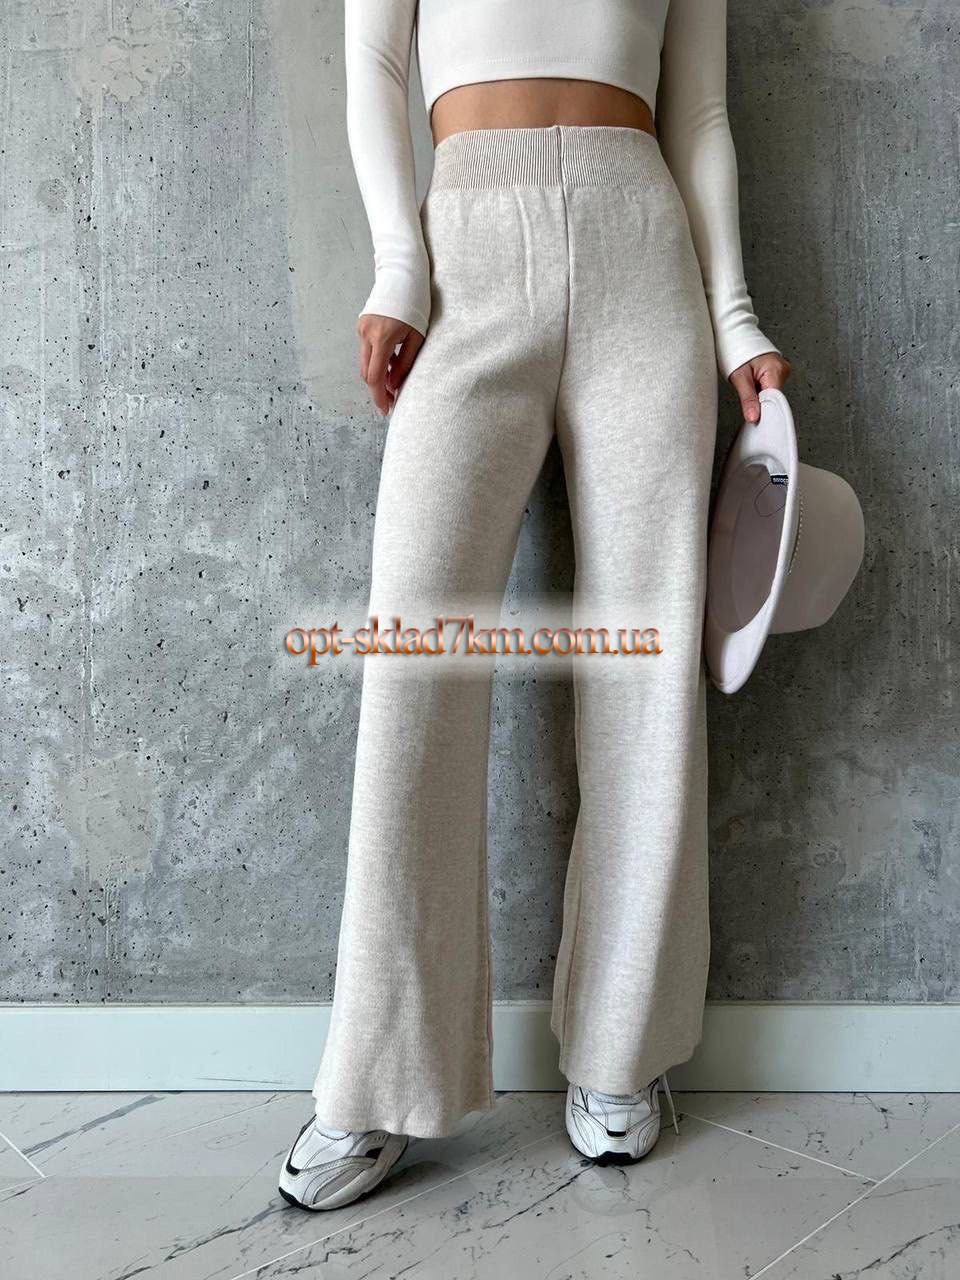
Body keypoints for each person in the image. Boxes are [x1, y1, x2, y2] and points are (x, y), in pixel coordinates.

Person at [279, 0, 792, 1212]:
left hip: (642, 251)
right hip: (465, 251)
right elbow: (373, 64)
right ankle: (380, 1075)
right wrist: (399, 267)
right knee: (415, 661)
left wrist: (734, 315)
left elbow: (701, 112)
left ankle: (621, 1049)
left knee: (646, 669)